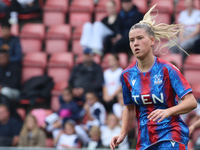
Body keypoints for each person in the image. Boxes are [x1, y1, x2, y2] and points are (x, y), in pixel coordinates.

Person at [110, 4, 197, 150]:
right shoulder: (127, 74)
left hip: (171, 136)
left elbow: (191, 102)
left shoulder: (167, 69)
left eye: (139, 38)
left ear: (151, 41)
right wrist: (122, 133)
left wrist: (168, 111)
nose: (135, 43)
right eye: (132, 40)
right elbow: (129, 108)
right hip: (145, 140)